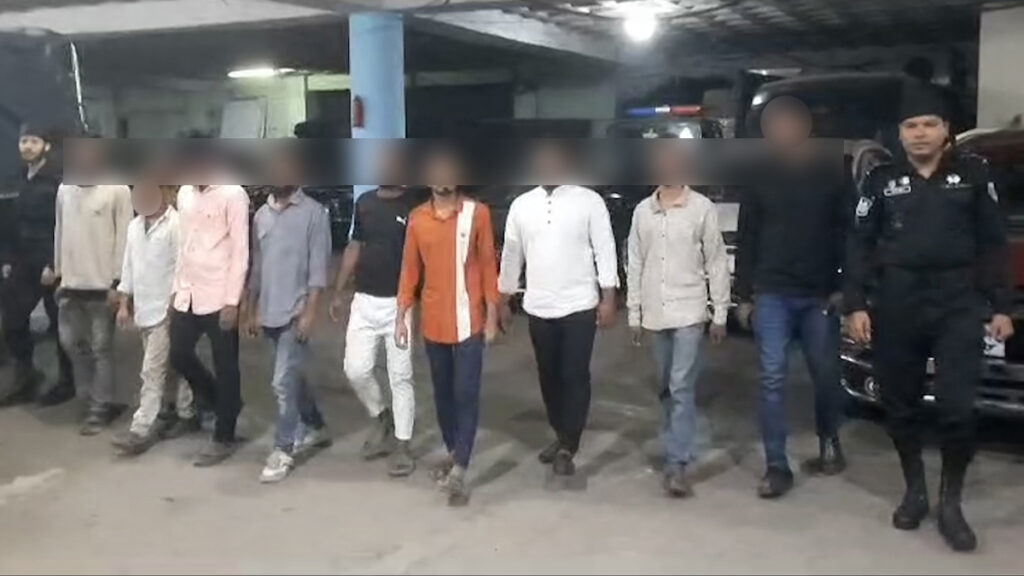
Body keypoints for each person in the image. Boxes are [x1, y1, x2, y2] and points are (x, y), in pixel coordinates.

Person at [845, 88, 1013, 552]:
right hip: (898, 300)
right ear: (899, 134)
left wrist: (1001, 304)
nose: (920, 133)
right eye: (911, 126)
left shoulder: (973, 175)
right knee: (900, 404)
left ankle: (950, 502)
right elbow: (859, 244)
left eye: (929, 124)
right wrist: (855, 303)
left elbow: (992, 243)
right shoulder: (881, 180)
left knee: (958, 408)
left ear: (946, 131)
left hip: (958, 301)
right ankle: (915, 491)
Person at [734, 96, 849, 498]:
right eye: (771, 125)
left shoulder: (832, 172)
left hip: (819, 294)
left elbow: (847, 233)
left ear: (804, 127)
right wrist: (743, 294)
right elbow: (748, 236)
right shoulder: (757, 174)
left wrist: (845, 288)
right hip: (772, 293)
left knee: (826, 376)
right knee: (771, 379)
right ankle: (776, 465)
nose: (779, 131)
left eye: (786, 123)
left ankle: (829, 438)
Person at [498, 142, 618, 477]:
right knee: (548, 376)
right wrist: (503, 300)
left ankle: (569, 444)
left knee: (574, 375)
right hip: (538, 306)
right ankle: (560, 432)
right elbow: (512, 255)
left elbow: (605, 248)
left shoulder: (588, 201)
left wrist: (609, 296)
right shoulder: (522, 205)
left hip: (579, 305)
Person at [626, 144, 731, 498]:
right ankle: (673, 441)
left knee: (681, 385)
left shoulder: (701, 208)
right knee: (665, 386)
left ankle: (677, 463)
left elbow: (716, 261)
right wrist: (635, 313)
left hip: (690, 309)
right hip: (656, 312)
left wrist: (720, 313)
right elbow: (635, 262)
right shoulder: (643, 211)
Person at [395, 148, 499, 506]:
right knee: (443, 394)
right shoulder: (417, 219)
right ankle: (454, 450)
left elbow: (488, 266)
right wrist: (401, 316)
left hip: (470, 322)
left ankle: (461, 468)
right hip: (434, 323)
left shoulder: (477, 214)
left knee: (466, 392)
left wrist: (493, 315)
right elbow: (410, 270)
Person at [329, 148, 420, 477]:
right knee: (355, 370)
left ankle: (403, 445)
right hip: (364, 301)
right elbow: (355, 245)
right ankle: (381, 416)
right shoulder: (365, 203)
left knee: (401, 376)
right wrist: (339, 290)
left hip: (399, 304)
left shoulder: (413, 207)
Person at [245, 167, 332, 484]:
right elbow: (257, 267)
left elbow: (318, 269)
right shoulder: (261, 216)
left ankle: (283, 449)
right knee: (291, 377)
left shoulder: (314, 214)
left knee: (282, 382)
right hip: (269, 310)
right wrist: (250, 309)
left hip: (295, 311)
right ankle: (316, 426)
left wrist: (310, 312)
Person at [170, 157, 249, 467]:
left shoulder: (233, 193)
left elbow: (240, 250)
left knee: (226, 364)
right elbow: (183, 245)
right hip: (188, 292)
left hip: (220, 293)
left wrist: (233, 301)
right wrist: (176, 289)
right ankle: (221, 401)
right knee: (179, 354)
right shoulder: (184, 193)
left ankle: (223, 436)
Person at [54, 137, 134, 436]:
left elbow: (125, 238)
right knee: (71, 343)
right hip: (71, 284)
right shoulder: (65, 189)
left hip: (102, 286)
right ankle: (89, 395)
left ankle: (100, 406)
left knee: (101, 348)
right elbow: (60, 231)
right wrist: (59, 273)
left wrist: (118, 283)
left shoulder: (117, 190)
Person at [111, 180, 197, 456]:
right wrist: (124, 304)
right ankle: (185, 411)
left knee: (151, 370)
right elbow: (128, 268)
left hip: (165, 311)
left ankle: (141, 428)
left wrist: (175, 306)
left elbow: (183, 267)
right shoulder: (134, 227)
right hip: (143, 311)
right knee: (168, 366)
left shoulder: (176, 225)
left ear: (164, 193)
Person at [0, 123, 74, 407]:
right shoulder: (18, 179)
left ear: (46, 146)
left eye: (33, 141)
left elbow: (66, 225)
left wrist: (54, 264)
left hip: (50, 264)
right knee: (13, 321)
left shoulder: (58, 181)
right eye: (24, 141)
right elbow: (9, 223)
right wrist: (7, 259)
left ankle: (67, 383)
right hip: (22, 261)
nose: (28, 146)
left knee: (59, 327)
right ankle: (26, 378)